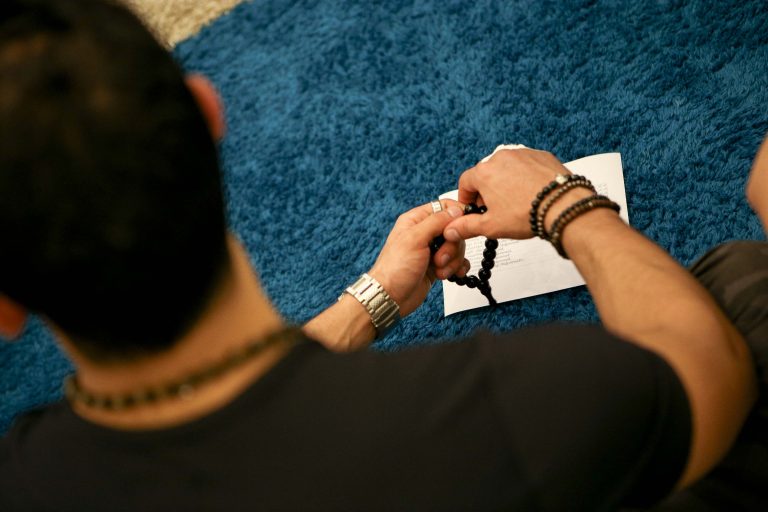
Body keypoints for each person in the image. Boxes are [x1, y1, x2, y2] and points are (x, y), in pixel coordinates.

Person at [0, 0, 759, 510]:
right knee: (736, 285)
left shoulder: (26, 477)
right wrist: (567, 206)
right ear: (206, 114)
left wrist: (374, 298)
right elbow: (703, 373)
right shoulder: (510, 408)